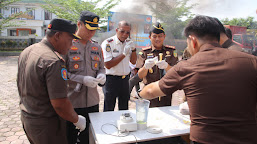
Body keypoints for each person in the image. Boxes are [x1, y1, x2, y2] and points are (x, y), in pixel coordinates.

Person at [139, 15, 257, 144]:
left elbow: (149, 92)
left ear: (193, 40)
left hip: (205, 139)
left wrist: (141, 93)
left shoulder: (187, 66)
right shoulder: (252, 61)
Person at [17, 18, 86, 144]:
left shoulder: (28, 51)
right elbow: (60, 104)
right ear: (57, 36)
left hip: (28, 119)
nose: (71, 46)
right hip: (47, 126)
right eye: (70, 40)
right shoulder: (53, 61)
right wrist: (76, 120)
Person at [65, 11, 105, 144]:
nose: (91, 33)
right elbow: (61, 73)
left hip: (93, 102)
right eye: (88, 29)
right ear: (79, 24)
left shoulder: (96, 46)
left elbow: (101, 67)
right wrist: (82, 80)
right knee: (71, 137)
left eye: (94, 30)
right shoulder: (67, 46)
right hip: (73, 102)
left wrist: (101, 75)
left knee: (90, 138)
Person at [137, 22, 178, 107]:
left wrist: (167, 66)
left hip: (165, 92)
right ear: (149, 37)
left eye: (160, 36)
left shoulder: (171, 51)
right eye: (154, 36)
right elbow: (140, 75)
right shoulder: (144, 53)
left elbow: (176, 73)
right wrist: (145, 67)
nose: (157, 39)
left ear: (164, 36)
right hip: (149, 92)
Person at [101, 21, 137, 111]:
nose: (125, 34)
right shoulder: (108, 43)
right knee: (109, 108)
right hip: (111, 80)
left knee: (124, 108)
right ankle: (108, 125)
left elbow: (133, 62)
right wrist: (124, 53)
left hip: (125, 80)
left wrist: (133, 50)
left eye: (127, 32)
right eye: (122, 31)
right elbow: (108, 65)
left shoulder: (128, 43)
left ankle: (123, 125)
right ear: (117, 30)